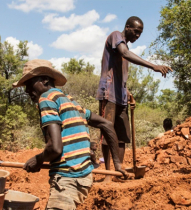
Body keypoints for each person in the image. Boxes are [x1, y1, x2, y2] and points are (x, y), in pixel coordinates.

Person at [12, 59, 128, 210]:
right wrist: (117, 163)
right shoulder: (70, 101)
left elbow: (55, 148)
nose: (26, 90)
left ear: (44, 80)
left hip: (67, 180)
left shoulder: (46, 99)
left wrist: (38, 160)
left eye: (29, 83)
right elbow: (106, 124)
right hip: (84, 178)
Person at [96, 16, 173, 182]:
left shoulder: (124, 51)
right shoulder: (117, 36)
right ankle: (108, 175)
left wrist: (127, 91)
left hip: (121, 96)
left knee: (122, 136)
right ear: (127, 27)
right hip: (108, 94)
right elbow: (125, 53)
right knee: (108, 133)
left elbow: (119, 73)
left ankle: (119, 172)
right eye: (136, 31)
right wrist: (154, 66)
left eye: (140, 33)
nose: (138, 36)